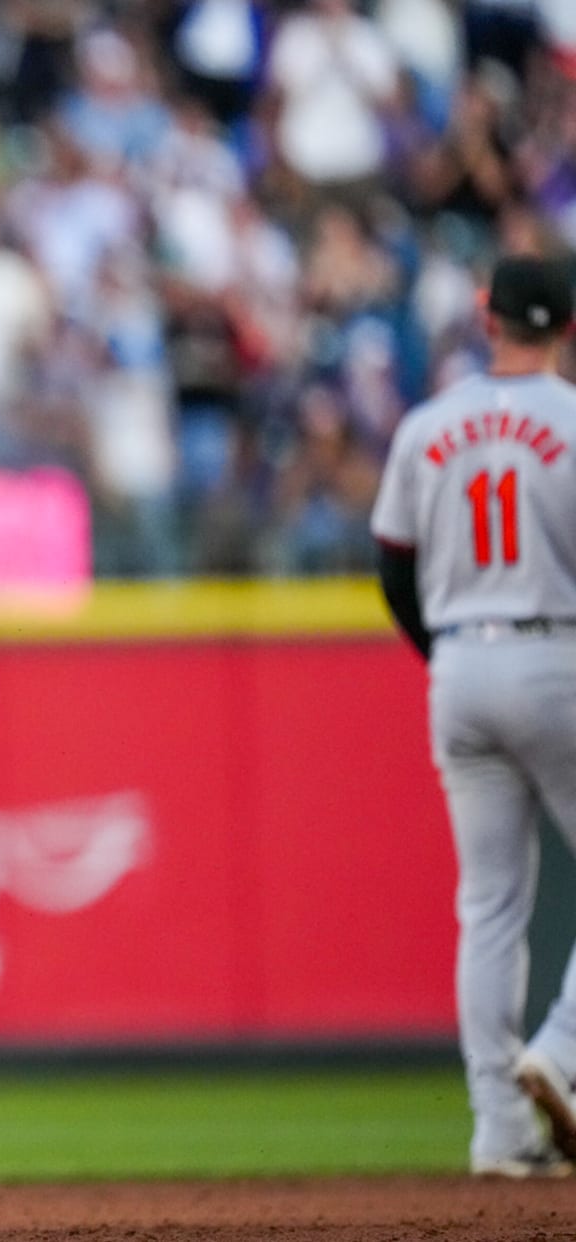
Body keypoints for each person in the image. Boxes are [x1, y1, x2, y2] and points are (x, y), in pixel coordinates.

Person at [371, 254, 576, 1179]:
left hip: (457, 662)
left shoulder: (427, 426)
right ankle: (564, 1053)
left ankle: (499, 1130)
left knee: (488, 904)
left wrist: (449, 656)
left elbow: (392, 568)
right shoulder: (572, 422)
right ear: (567, 324)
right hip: (557, 648)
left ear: (488, 318)